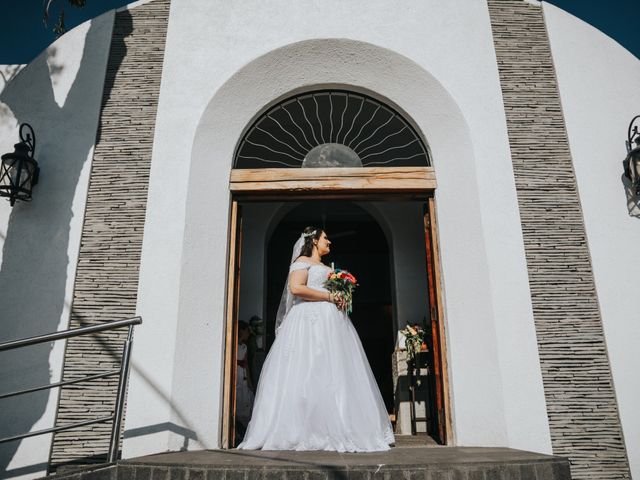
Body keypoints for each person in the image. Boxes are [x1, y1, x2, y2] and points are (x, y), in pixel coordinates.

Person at [237, 226, 394, 452]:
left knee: (336, 372)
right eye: (325, 238)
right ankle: (302, 429)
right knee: (307, 370)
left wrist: (340, 297)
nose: (329, 242)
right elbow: (296, 287)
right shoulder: (302, 262)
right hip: (307, 321)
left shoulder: (322, 266)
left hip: (331, 323)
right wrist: (330, 296)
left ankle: (341, 425)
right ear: (314, 241)